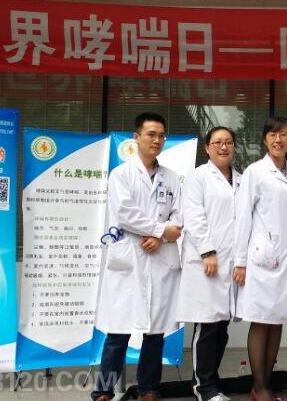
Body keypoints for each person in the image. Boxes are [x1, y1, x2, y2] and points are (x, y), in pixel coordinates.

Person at [92, 112, 183, 401]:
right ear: (136, 137)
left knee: (155, 332)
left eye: (161, 135)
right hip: (130, 257)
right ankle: (104, 390)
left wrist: (161, 237)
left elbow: (179, 215)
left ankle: (148, 388)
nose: (157, 140)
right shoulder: (121, 175)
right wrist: (160, 230)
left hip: (159, 258)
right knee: (117, 331)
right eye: (151, 134)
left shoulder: (171, 177)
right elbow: (125, 214)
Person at [233, 116, 287, 401]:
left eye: (283, 134)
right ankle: (260, 387)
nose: (278, 140)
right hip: (262, 259)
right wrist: (240, 261)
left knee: (276, 321)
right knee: (261, 320)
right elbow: (243, 218)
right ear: (265, 140)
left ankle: (267, 384)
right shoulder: (255, 172)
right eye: (273, 135)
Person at [177, 126, 242, 401]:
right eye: (217, 142)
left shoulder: (241, 179)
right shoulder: (198, 177)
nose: (223, 147)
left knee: (222, 325)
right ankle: (203, 387)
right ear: (207, 148)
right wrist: (207, 252)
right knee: (207, 325)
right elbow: (194, 216)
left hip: (230, 262)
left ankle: (212, 381)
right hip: (207, 262)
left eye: (228, 142)